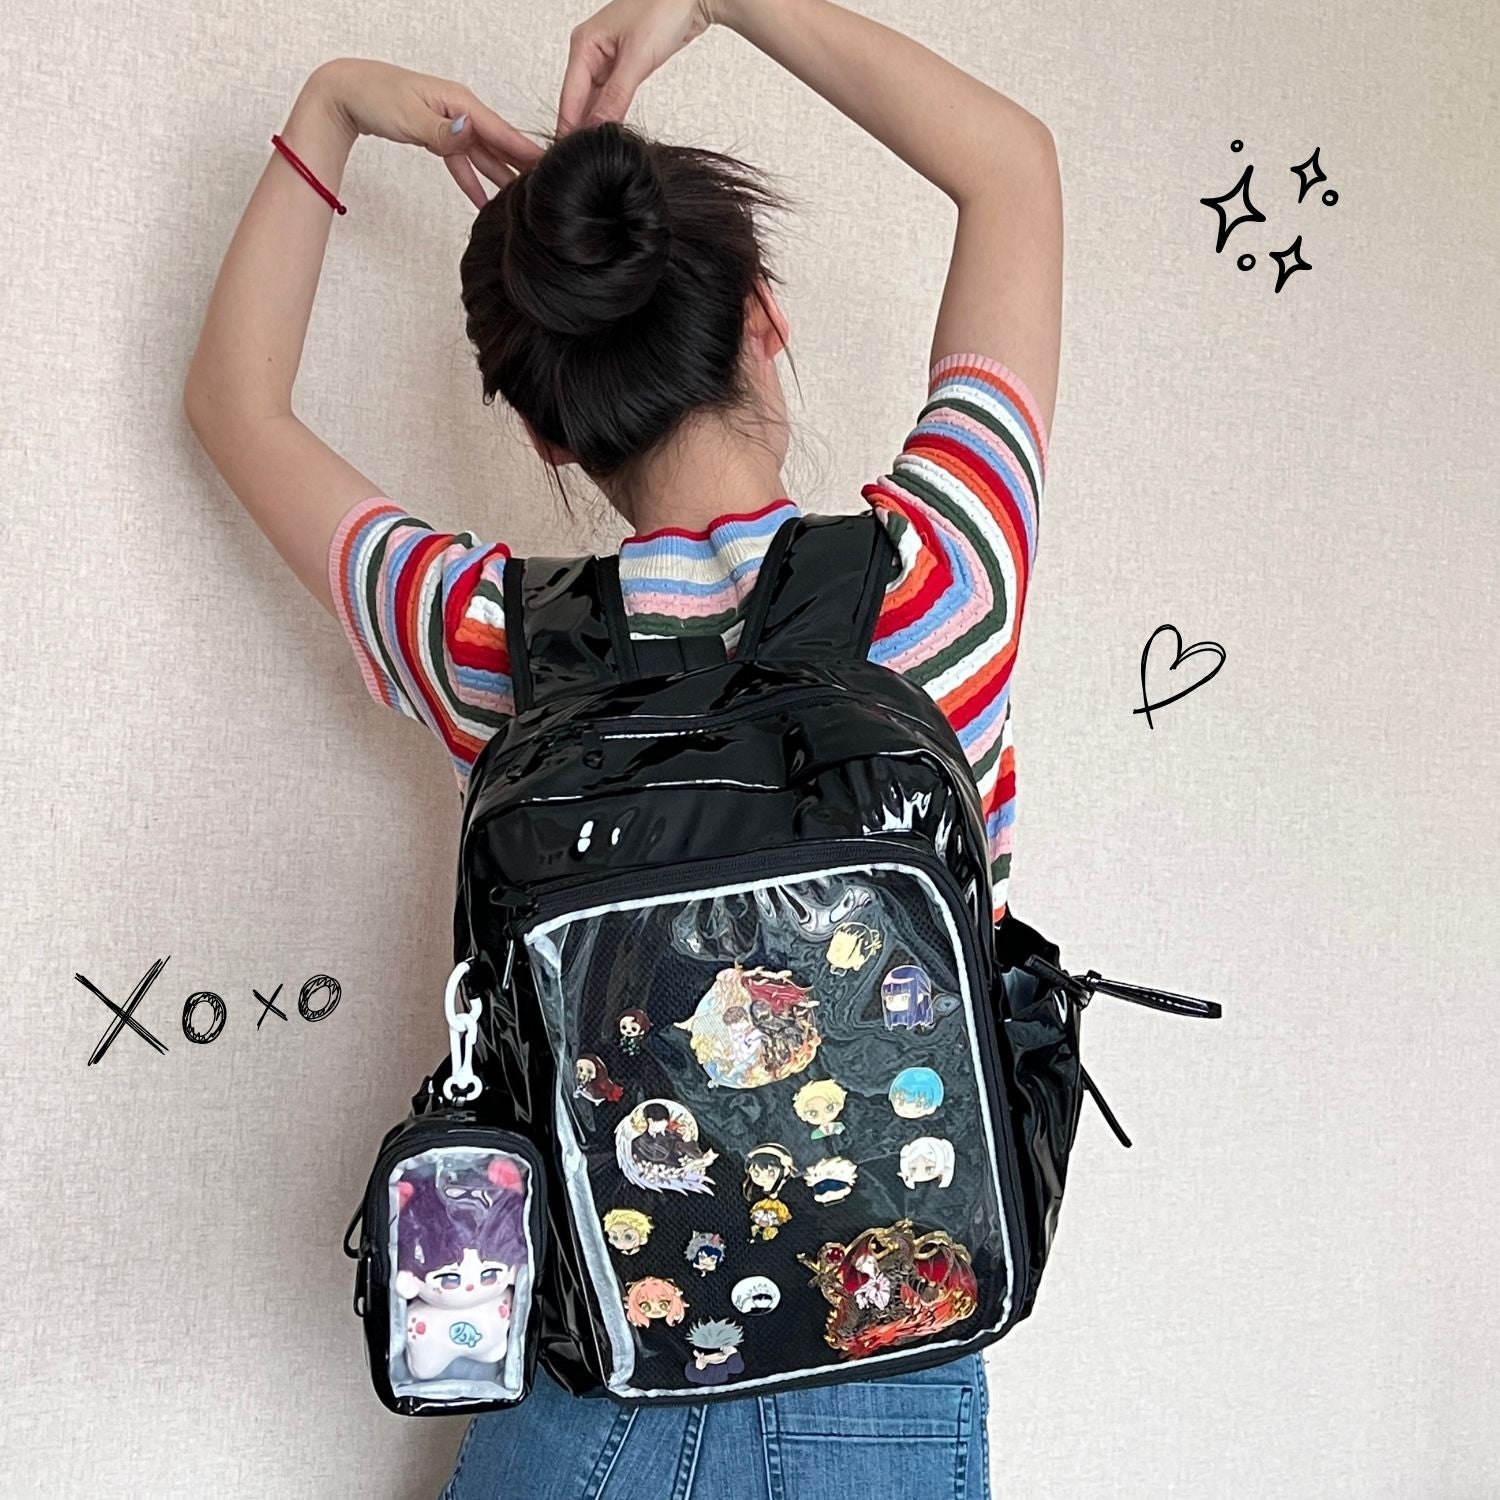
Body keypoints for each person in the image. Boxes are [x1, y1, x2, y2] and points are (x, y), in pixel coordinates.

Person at [182, 0, 1061, 1490]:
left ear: (549, 437)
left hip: (588, 1374)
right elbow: (1013, 169)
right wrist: (719, 0)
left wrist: (329, 110)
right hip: (892, 1357)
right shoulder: (942, 576)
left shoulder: (489, 643)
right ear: (768, 316)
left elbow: (232, 403)